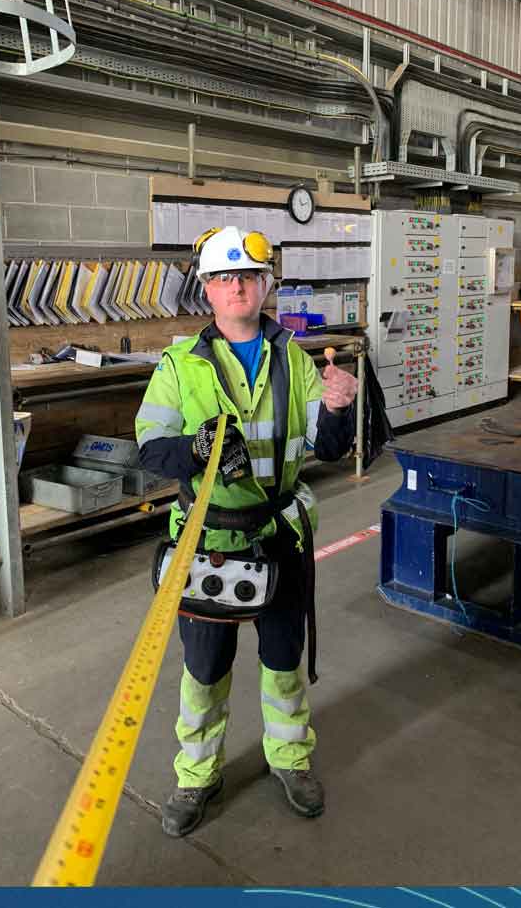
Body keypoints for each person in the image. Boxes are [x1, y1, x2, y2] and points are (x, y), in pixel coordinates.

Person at [135, 225, 359, 837]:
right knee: (204, 671)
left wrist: (339, 408)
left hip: (280, 540)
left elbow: (329, 449)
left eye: (247, 277)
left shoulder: (296, 359)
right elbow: (151, 451)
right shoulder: (179, 366)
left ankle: (289, 758)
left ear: (266, 286)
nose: (236, 287)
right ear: (207, 290)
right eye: (223, 278)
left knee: (283, 662)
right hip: (206, 545)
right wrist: (196, 446)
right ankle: (196, 775)